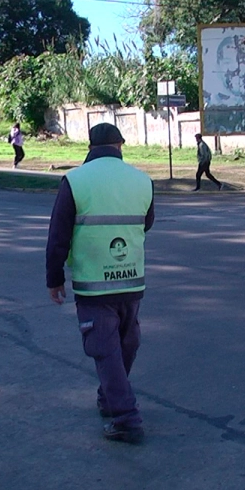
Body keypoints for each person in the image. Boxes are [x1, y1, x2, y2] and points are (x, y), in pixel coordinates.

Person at [46, 122, 155, 445]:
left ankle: (126, 418)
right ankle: (111, 399)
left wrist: (54, 279)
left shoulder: (75, 181)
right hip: (131, 280)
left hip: (93, 283)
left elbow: (58, 237)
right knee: (127, 342)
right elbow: (146, 223)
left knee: (105, 350)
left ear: (89, 146)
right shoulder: (142, 180)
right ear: (120, 144)